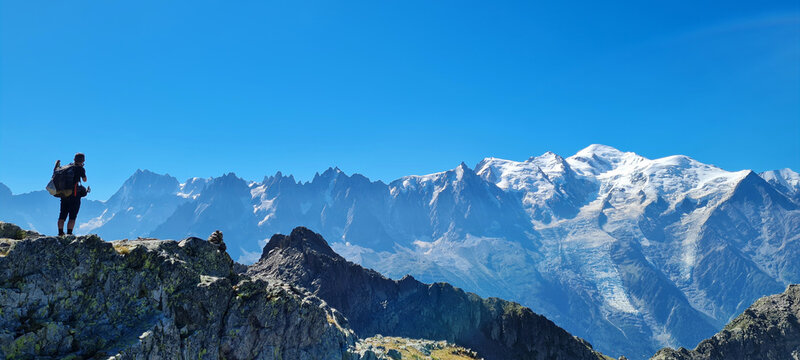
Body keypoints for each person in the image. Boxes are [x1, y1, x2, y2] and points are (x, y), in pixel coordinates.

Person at [55, 153, 87, 236]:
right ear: (83, 160)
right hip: (75, 195)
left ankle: (60, 233)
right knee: (72, 216)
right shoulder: (80, 169)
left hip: (64, 195)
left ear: (74, 159)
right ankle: (69, 234)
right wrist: (82, 170)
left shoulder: (67, 168)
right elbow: (84, 180)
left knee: (62, 215)